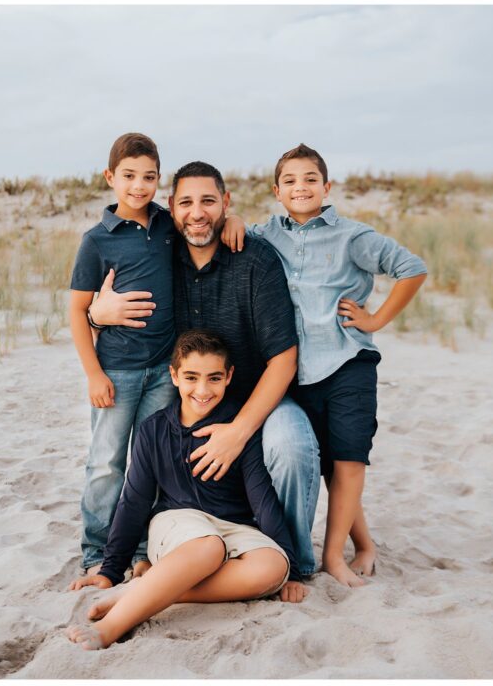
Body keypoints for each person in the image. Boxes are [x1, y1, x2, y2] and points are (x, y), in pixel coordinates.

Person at [88, 161, 322, 579]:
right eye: (186, 203)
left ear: (226, 203)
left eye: (209, 202)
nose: (198, 213)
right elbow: (98, 293)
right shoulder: (161, 254)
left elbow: (283, 360)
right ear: (171, 209)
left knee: (292, 447)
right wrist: (96, 315)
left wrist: (239, 431)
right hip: (195, 396)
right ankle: (132, 554)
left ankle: (297, 563)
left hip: (257, 396)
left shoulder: (255, 260)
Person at [249, 143, 427, 586]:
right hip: (296, 371)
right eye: (290, 180)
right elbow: (232, 240)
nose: (301, 187)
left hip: (348, 362)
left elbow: (412, 267)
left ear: (326, 187)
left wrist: (376, 319)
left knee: (348, 462)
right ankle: (365, 543)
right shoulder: (266, 234)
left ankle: (333, 556)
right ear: (276, 190)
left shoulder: (353, 236)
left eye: (310, 179)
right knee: (328, 464)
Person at [69, 134, 244, 578]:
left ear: (158, 180)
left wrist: (235, 217)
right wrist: (93, 373)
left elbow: (203, 220)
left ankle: (144, 550)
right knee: (107, 461)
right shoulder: (97, 241)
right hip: (117, 370)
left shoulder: (168, 224)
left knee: (151, 461)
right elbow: (76, 309)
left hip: (164, 370)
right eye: (128, 176)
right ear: (110, 177)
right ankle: (96, 553)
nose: (138, 185)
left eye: (148, 176)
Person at [66, 329, 306, 651]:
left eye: (214, 378)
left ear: (229, 376)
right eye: (191, 377)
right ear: (174, 375)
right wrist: (110, 569)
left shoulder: (237, 428)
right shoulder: (154, 430)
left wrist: (290, 565)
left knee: (273, 568)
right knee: (207, 548)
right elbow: (134, 501)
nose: (202, 390)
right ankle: (112, 626)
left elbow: (262, 498)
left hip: (234, 527)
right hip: (178, 523)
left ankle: (142, 589)